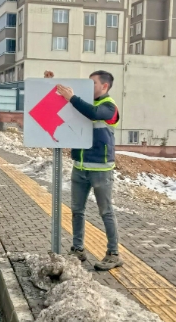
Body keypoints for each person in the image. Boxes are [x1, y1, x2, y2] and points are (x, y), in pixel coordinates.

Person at [44, 70, 123, 271]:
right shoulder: (81, 103)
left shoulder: (109, 107)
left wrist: (72, 97)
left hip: (100, 169)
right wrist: (50, 84)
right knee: (77, 211)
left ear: (104, 86)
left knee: (106, 211)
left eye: (93, 83)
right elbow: (60, 105)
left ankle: (113, 254)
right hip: (79, 167)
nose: (89, 87)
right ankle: (78, 249)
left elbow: (94, 113)